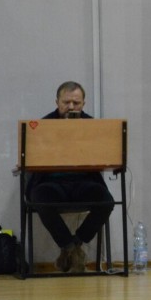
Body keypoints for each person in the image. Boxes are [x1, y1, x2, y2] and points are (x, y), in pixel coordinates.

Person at [24, 81, 114, 273]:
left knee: (106, 201)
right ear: (57, 102)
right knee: (39, 197)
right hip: (52, 183)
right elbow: (30, 156)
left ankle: (74, 244)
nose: (71, 107)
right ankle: (71, 248)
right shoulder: (42, 126)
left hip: (84, 182)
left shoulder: (93, 126)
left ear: (83, 103)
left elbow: (105, 156)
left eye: (76, 103)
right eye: (66, 102)